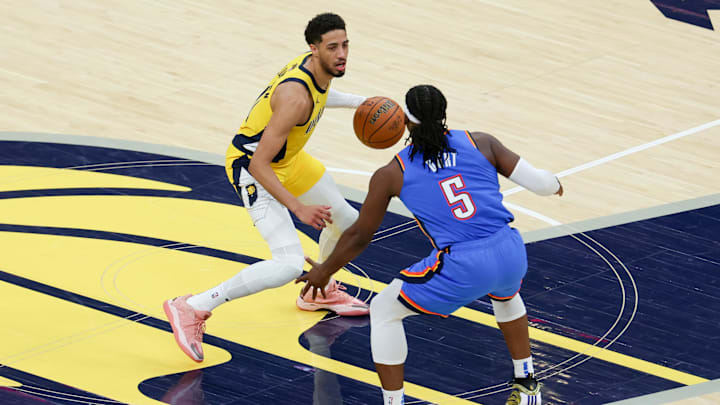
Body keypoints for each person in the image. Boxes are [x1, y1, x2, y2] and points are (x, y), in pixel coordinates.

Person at [296, 84, 563, 405]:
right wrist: (556, 184)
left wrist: (325, 270)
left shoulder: (392, 172)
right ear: (444, 114)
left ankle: (393, 403)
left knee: (383, 310)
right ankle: (527, 384)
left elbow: (359, 236)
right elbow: (542, 184)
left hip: (464, 263)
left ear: (404, 123)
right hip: (510, 249)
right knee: (506, 295)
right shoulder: (481, 142)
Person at [163, 12, 370, 364]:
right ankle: (192, 307)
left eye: (345, 45)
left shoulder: (318, 69)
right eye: (333, 47)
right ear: (314, 49)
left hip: (287, 161)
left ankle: (317, 292)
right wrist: (298, 207)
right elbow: (259, 164)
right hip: (253, 169)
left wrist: (360, 102)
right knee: (288, 264)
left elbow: (323, 97)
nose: (341, 54)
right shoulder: (295, 97)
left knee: (348, 223)